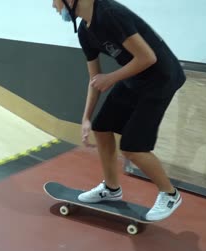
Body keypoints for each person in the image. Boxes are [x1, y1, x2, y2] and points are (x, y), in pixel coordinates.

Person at [52, 0, 186, 221]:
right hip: (136, 77)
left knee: (133, 148)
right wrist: (86, 118)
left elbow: (148, 57)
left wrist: (112, 78)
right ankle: (112, 189)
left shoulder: (110, 13)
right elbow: (95, 79)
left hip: (161, 78)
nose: (54, 6)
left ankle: (170, 194)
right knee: (102, 127)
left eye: (55, 0)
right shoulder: (85, 31)